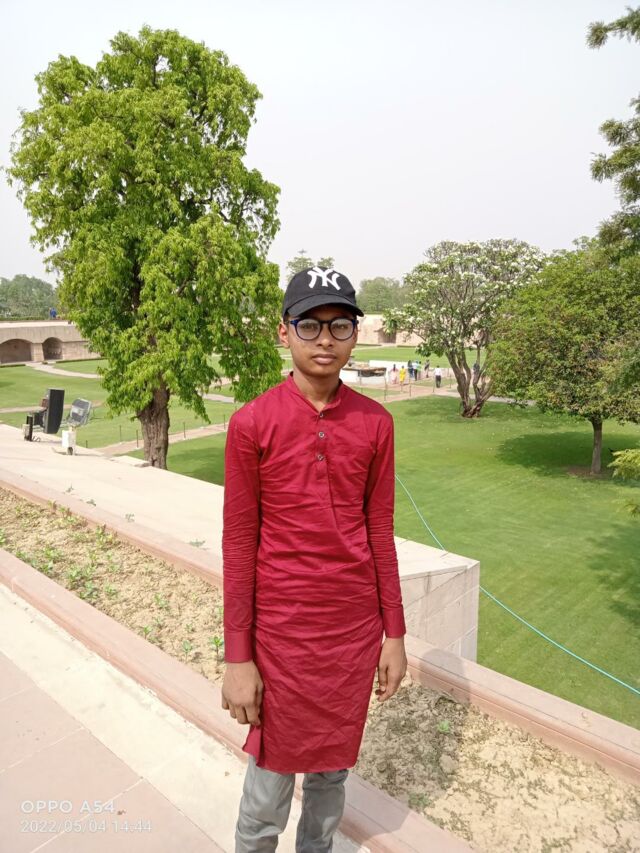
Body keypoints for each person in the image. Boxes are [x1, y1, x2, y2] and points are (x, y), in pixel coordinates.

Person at [222, 266, 407, 853]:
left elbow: (379, 531)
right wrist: (238, 657)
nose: (325, 339)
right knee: (267, 790)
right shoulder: (252, 422)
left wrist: (395, 634)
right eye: (310, 324)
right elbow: (239, 544)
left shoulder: (376, 423)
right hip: (281, 636)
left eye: (340, 325)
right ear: (284, 332)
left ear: (355, 334)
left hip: (350, 635)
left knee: (331, 777)